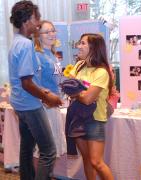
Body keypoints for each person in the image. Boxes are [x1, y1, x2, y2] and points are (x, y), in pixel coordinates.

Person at [8, 1, 63, 180]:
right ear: (27, 20)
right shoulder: (25, 45)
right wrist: (49, 98)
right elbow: (27, 83)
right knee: (48, 151)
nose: (38, 22)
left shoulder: (17, 42)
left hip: (20, 103)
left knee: (27, 148)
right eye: (36, 18)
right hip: (30, 105)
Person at [68, 33, 114, 180]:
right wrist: (77, 91)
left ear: (93, 48)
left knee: (96, 162)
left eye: (82, 43)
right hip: (77, 119)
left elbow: (88, 99)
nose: (78, 46)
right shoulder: (79, 66)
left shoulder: (101, 72)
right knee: (86, 159)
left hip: (94, 120)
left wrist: (76, 91)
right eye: (79, 43)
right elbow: (69, 88)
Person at [34, 20, 66, 157]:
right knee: (44, 149)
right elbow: (34, 83)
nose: (52, 34)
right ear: (38, 35)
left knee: (51, 148)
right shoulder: (37, 55)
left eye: (53, 30)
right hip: (44, 106)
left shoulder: (53, 54)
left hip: (53, 104)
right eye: (47, 32)